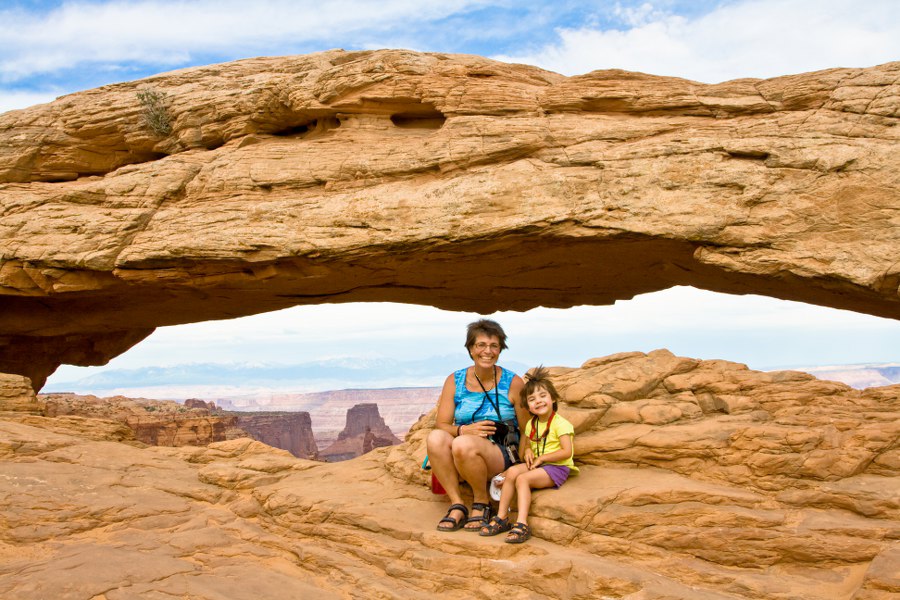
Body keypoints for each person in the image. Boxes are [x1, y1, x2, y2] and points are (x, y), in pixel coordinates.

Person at [427, 319, 529, 532]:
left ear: (500, 349)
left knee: (463, 444)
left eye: (494, 346)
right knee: (435, 438)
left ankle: (481, 503)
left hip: (498, 453)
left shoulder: (512, 382)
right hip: (461, 453)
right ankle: (457, 505)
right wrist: (463, 430)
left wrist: (520, 467)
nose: (487, 351)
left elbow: (527, 428)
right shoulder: (455, 380)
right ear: (471, 349)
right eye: (481, 345)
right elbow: (442, 424)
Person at [479, 366, 578, 544]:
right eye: (532, 399)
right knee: (512, 473)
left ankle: (522, 524)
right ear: (528, 407)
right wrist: (529, 451)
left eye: (543, 396)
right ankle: (502, 518)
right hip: (540, 464)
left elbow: (567, 451)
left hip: (557, 467)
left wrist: (542, 458)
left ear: (553, 398)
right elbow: (528, 445)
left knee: (522, 479)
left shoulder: (561, 424)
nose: (538, 402)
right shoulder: (532, 424)